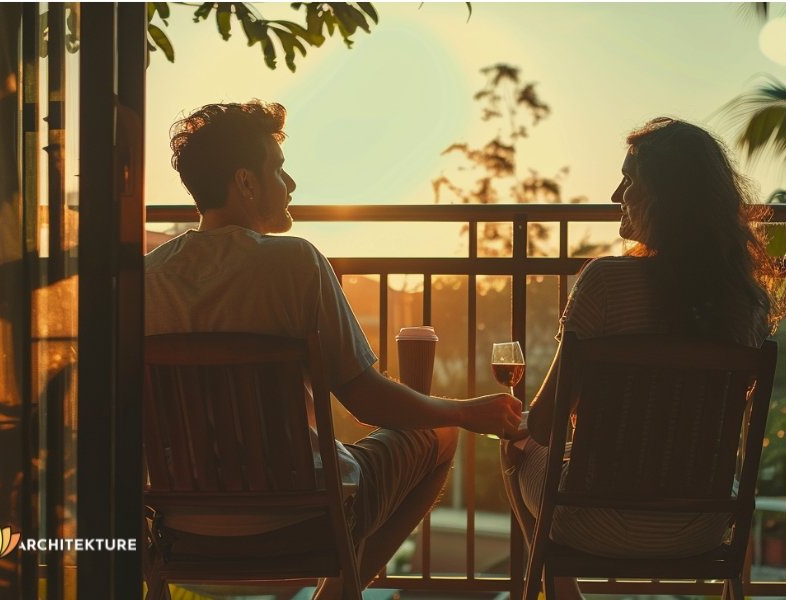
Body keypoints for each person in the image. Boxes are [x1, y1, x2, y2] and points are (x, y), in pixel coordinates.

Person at [145, 100, 523, 598]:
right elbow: (365, 401)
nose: (291, 185)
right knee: (442, 436)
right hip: (303, 516)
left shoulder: (147, 278)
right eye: (277, 169)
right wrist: (465, 411)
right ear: (246, 183)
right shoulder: (296, 263)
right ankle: (337, 593)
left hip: (182, 524)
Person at [500, 117, 786, 599]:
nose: (616, 194)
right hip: (704, 525)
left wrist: (512, 420)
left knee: (514, 445)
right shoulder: (747, 302)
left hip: (592, 522)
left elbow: (547, 422)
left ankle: (558, 592)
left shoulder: (604, 284)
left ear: (665, 198)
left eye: (629, 181)